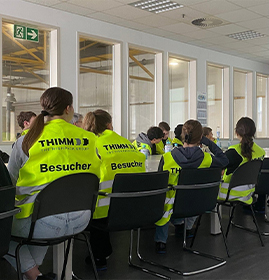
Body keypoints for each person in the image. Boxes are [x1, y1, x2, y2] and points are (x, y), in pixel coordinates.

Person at [5, 87, 100, 280]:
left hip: (41, 221)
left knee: (6, 227)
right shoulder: (89, 138)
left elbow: (10, 184)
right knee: (43, 220)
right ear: (68, 109)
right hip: (82, 218)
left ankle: (34, 275)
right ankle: (35, 274)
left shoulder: (27, 140)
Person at [83, 109, 145, 270]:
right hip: (133, 208)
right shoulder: (127, 143)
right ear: (110, 124)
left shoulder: (91, 144)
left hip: (101, 213)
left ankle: (99, 255)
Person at [154, 119, 228, 254]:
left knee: (165, 199)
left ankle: (161, 242)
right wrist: (207, 141)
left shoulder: (167, 157)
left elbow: (159, 183)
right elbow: (224, 160)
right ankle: (186, 228)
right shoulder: (207, 159)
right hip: (198, 204)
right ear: (201, 137)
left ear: (183, 136)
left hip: (171, 207)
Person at [218, 117, 265, 206]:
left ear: (236, 133)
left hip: (228, 192)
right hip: (249, 193)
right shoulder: (261, 152)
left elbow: (218, 166)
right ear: (253, 133)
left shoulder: (233, 151)